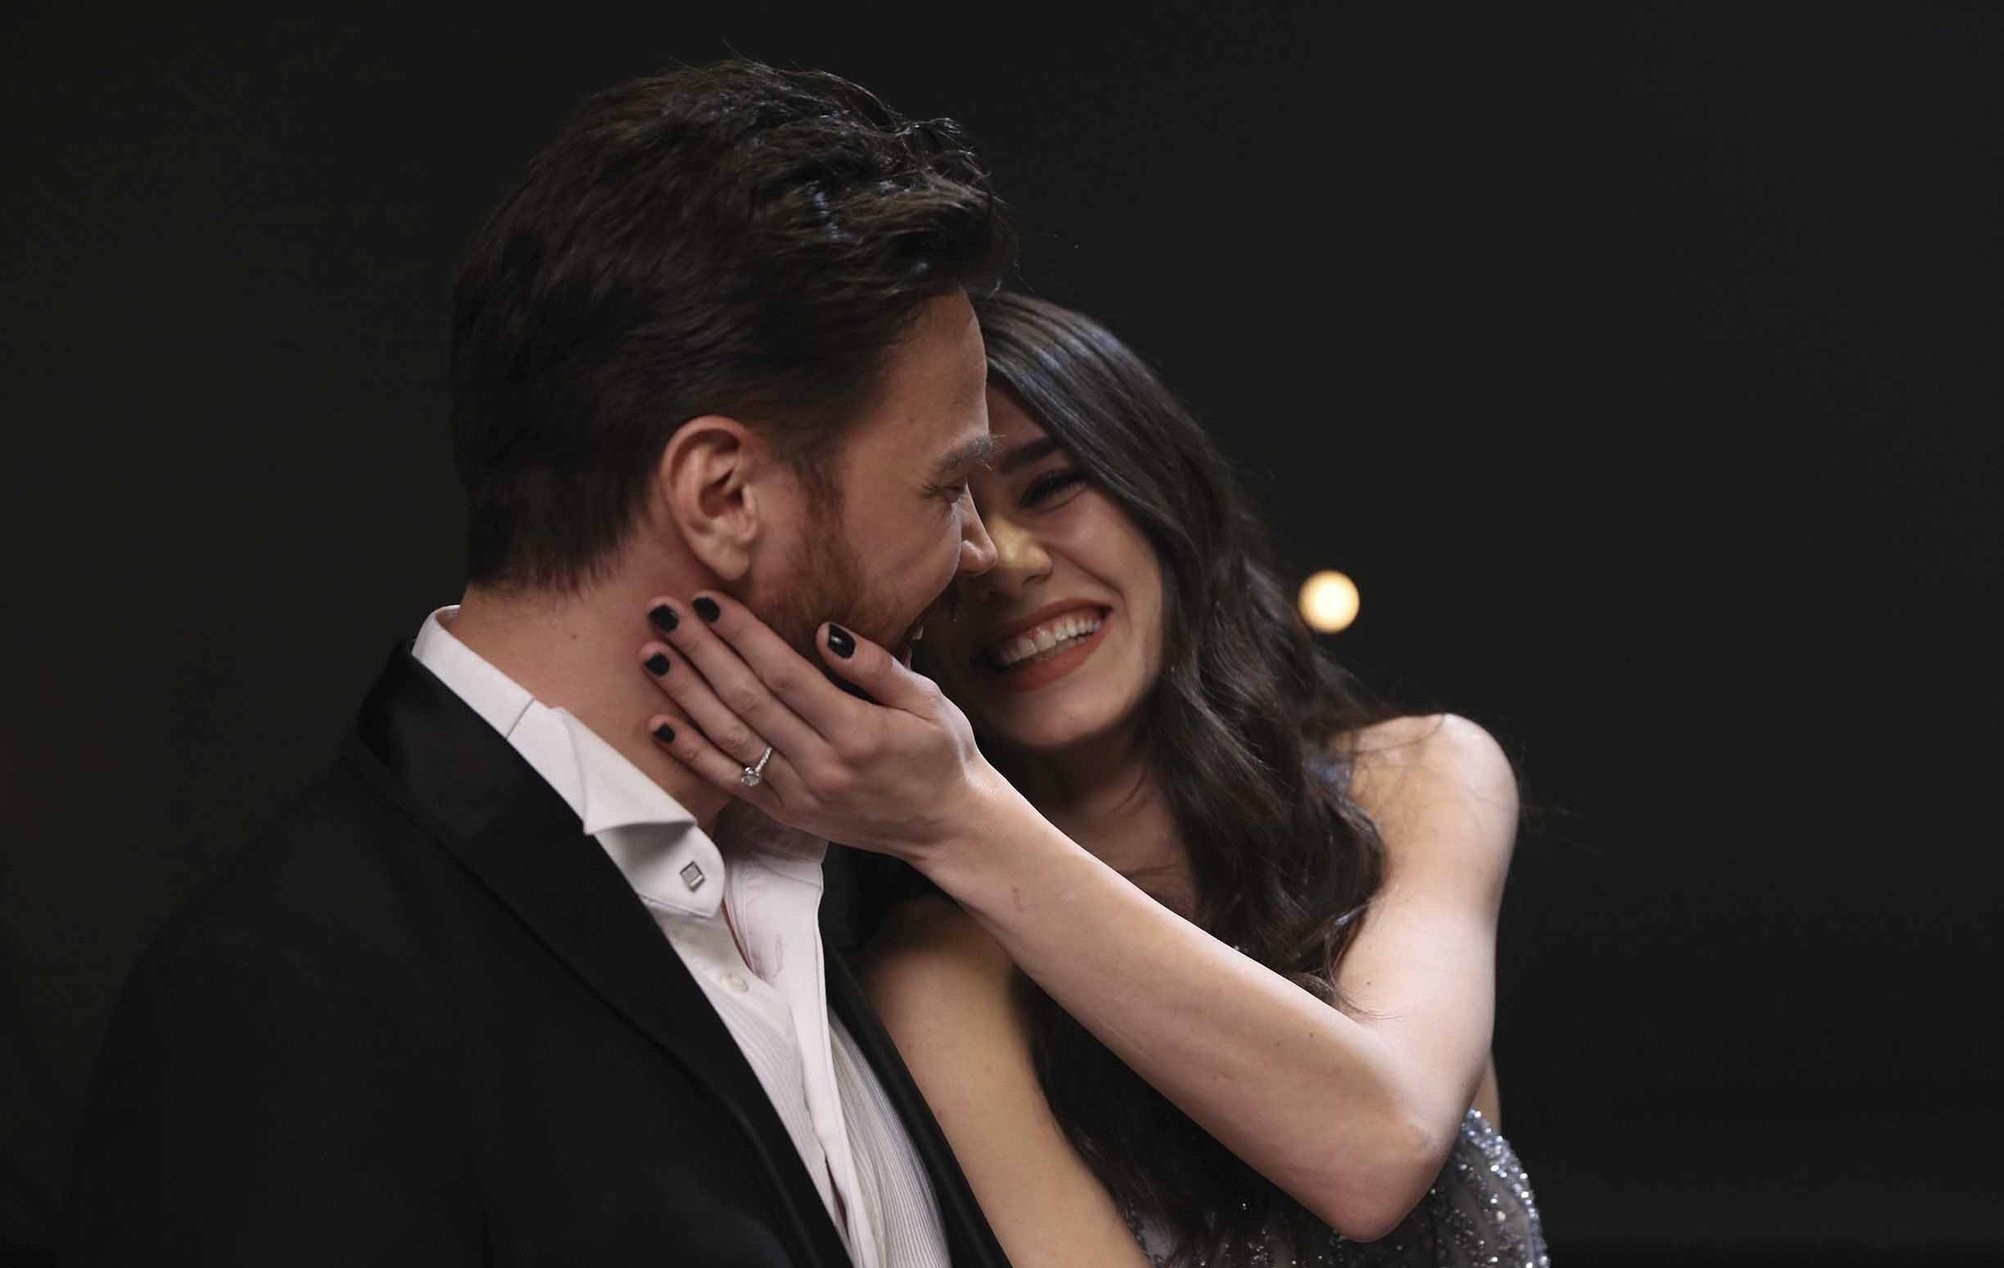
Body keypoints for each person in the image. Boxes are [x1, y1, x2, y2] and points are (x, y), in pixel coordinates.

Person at [60, 61, 1019, 1267]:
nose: (981, 549)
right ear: (723, 496)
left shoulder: (822, 883)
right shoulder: (287, 993)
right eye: (946, 487)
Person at [632, 291, 1549, 1266]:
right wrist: (947, 818)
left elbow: (1379, 1145)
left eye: (1053, 486)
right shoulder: (939, 971)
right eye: (952, 507)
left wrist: (954, 813)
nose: (1007, 561)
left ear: (1159, 489)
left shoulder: (1410, 779)